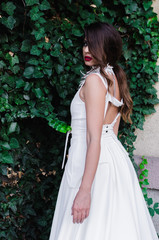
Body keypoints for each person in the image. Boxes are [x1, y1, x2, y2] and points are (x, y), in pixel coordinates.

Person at [49, 22, 158, 240]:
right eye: (85, 44)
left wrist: (85, 190)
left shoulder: (94, 80)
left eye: (93, 45)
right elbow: (112, 133)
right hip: (112, 159)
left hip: (91, 159)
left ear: (106, 48)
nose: (86, 50)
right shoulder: (114, 78)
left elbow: (94, 138)